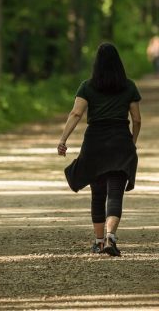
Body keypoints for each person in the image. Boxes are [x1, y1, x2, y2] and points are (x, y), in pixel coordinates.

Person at [57, 42, 142, 257]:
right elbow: (137, 119)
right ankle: (111, 237)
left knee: (97, 194)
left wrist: (63, 139)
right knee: (115, 193)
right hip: (121, 142)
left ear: (97, 64)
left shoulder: (87, 86)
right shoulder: (129, 86)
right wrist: (131, 142)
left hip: (95, 144)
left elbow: (76, 114)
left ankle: (98, 242)